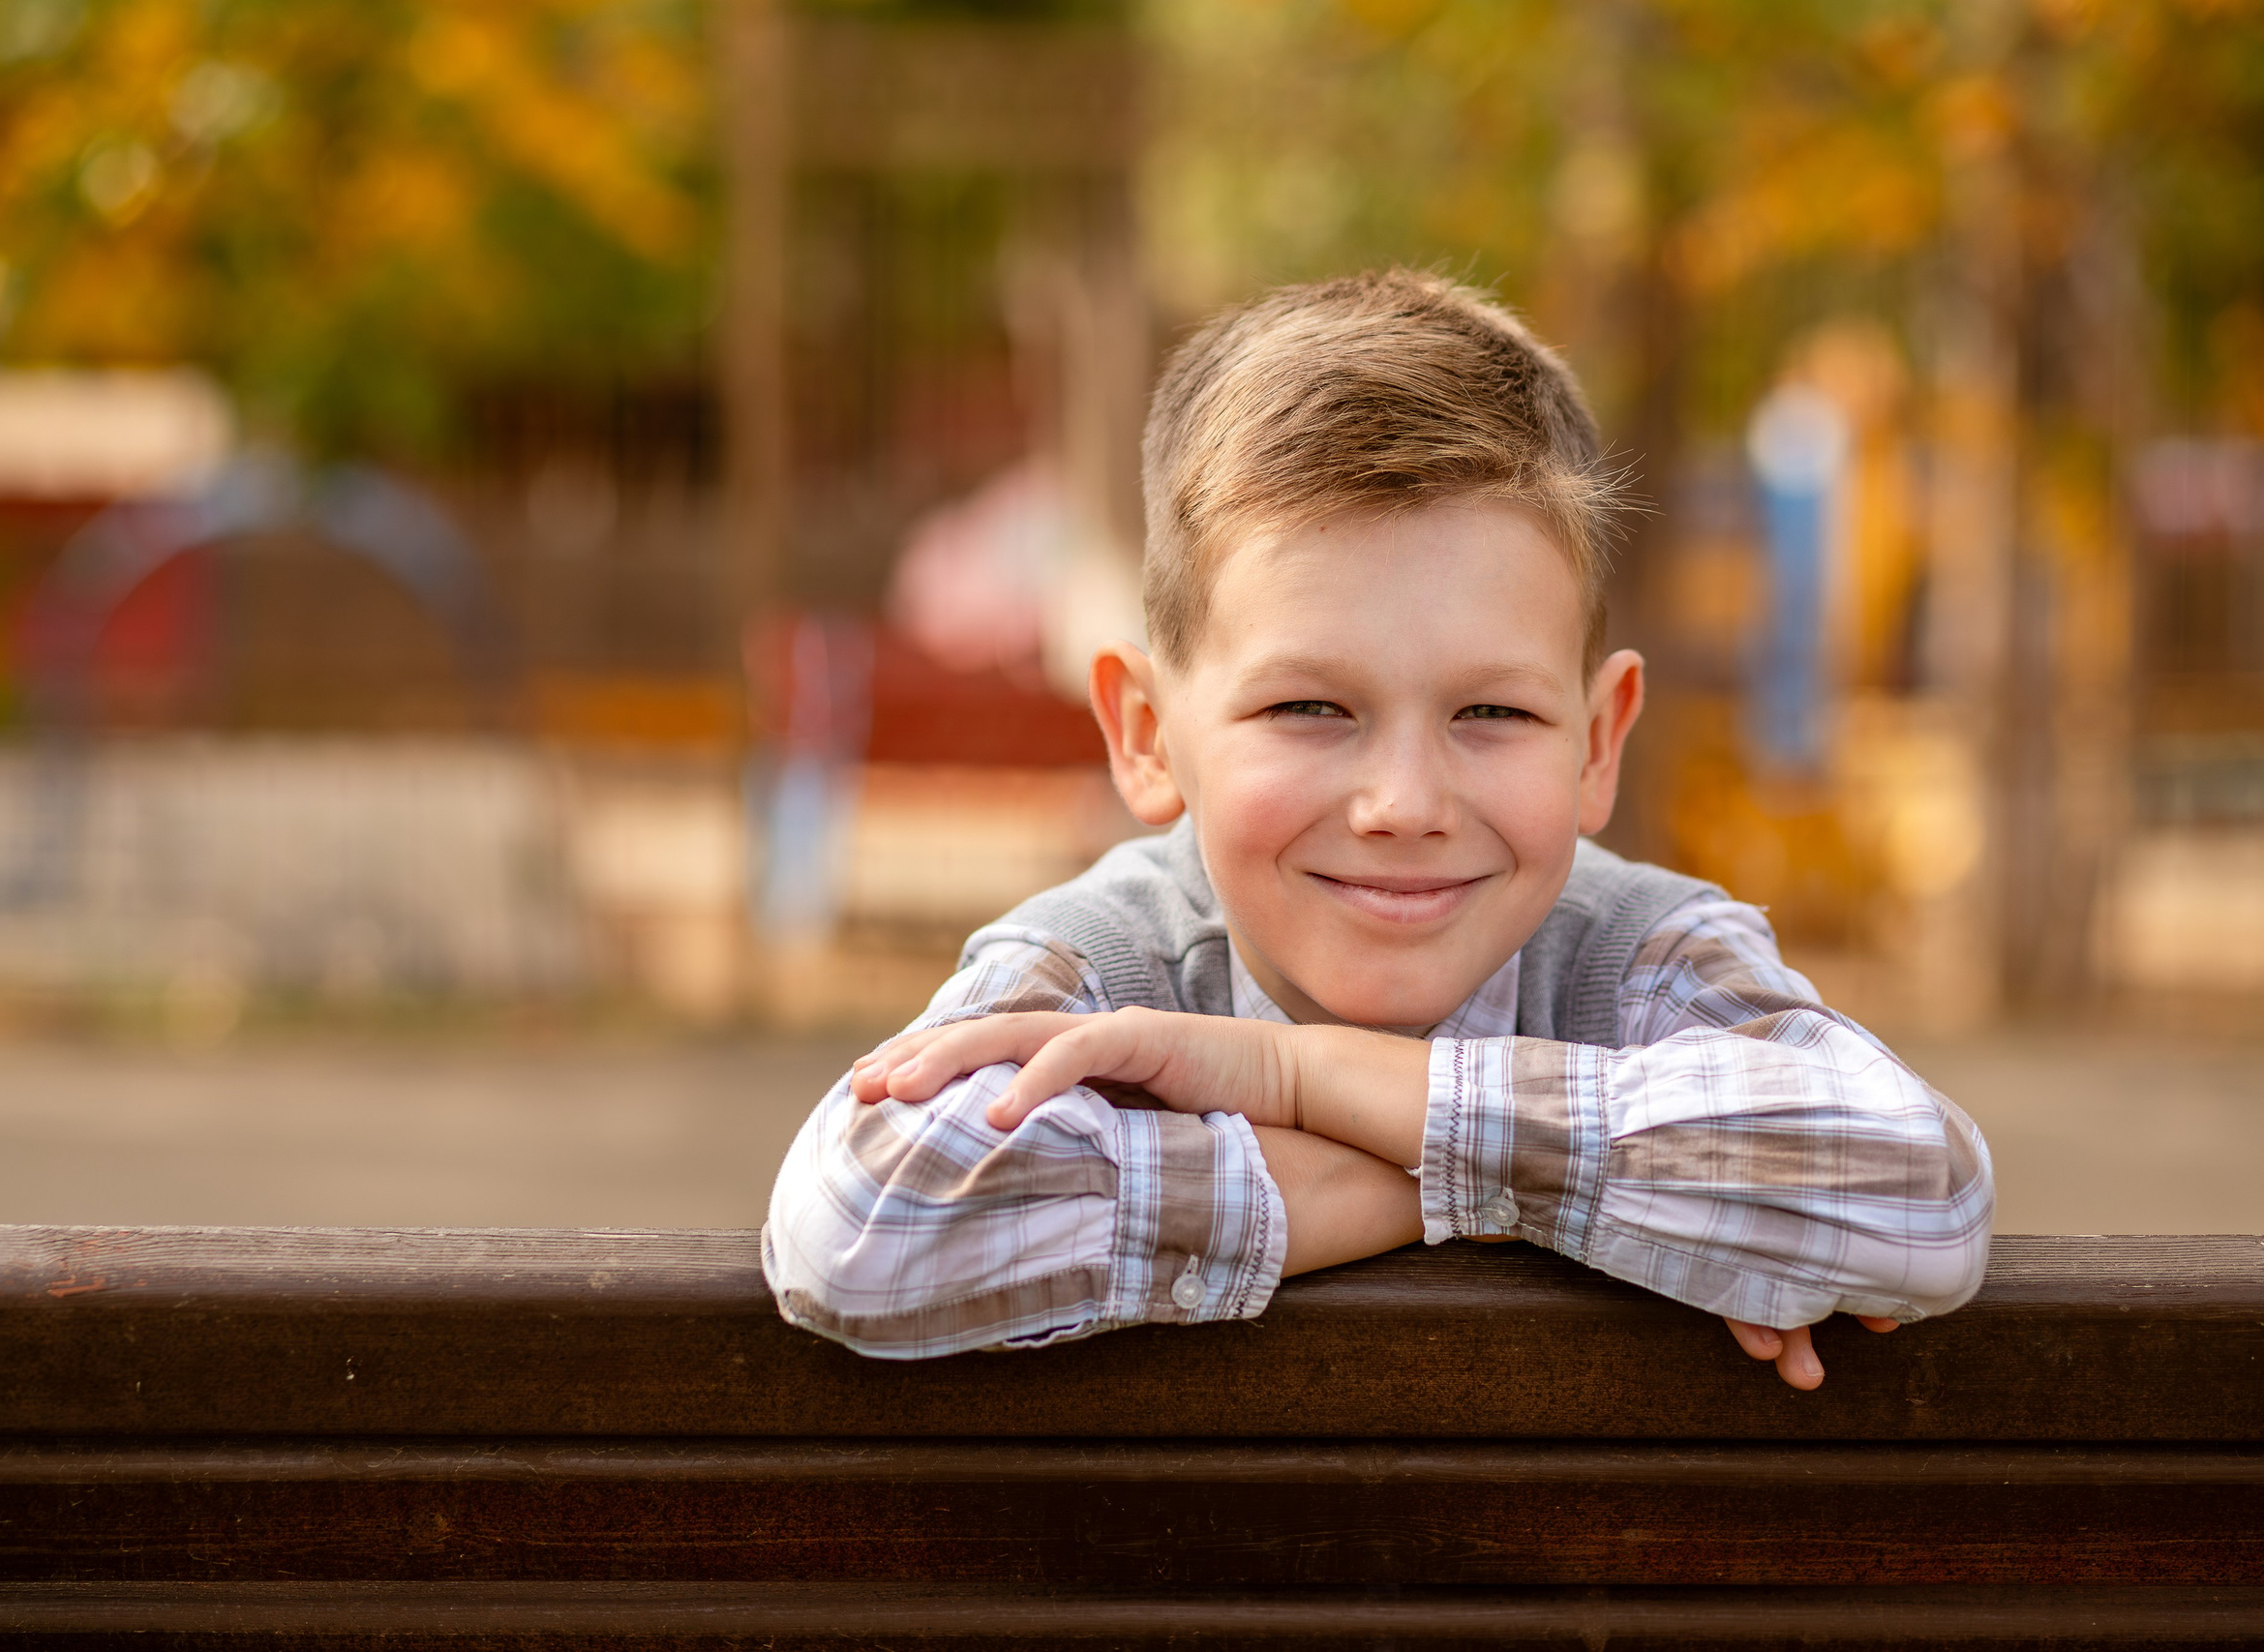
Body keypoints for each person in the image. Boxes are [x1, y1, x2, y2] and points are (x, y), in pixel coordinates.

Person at [763, 271, 1992, 1391]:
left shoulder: (1640, 947)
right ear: (1146, 732)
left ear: (1597, 742)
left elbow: (1921, 1189)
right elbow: (866, 1229)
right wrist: (1549, 1191)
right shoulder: (1097, 967)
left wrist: (1301, 1081)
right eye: (1308, 706)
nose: (1402, 804)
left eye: (1491, 711)